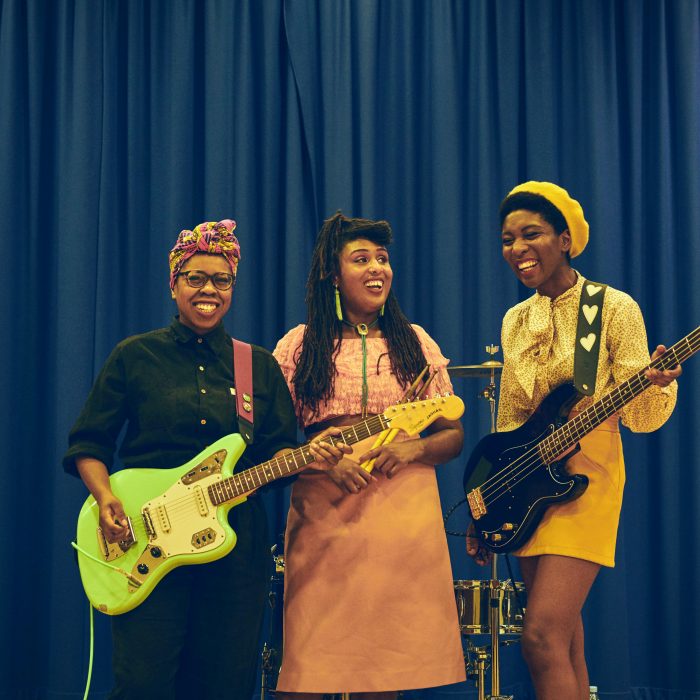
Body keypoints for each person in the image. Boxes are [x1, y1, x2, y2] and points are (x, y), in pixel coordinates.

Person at [63, 219, 348, 700]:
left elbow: (277, 450)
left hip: (233, 555)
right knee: (142, 685)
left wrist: (309, 457)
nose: (209, 290)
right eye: (195, 278)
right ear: (173, 283)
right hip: (143, 542)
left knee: (223, 685)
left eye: (221, 280)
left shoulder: (256, 365)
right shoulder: (135, 356)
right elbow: (89, 442)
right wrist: (105, 496)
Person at [466, 182, 681, 699]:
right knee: (563, 645)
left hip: (588, 477)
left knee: (539, 638)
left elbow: (643, 419)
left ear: (565, 240)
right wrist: (487, 499)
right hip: (528, 482)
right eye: (508, 239)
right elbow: (511, 420)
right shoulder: (515, 320)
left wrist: (655, 385)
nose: (517, 249)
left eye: (531, 234)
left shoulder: (614, 307)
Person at [272, 212, 466, 699]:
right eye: (361, 259)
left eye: (382, 258)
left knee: (383, 673)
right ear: (333, 275)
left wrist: (416, 447)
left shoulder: (415, 342)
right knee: (306, 672)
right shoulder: (299, 345)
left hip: (401, 519)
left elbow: (453, 434)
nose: (377, 268)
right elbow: (273, 442)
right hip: (323, 514)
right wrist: (322, 460)